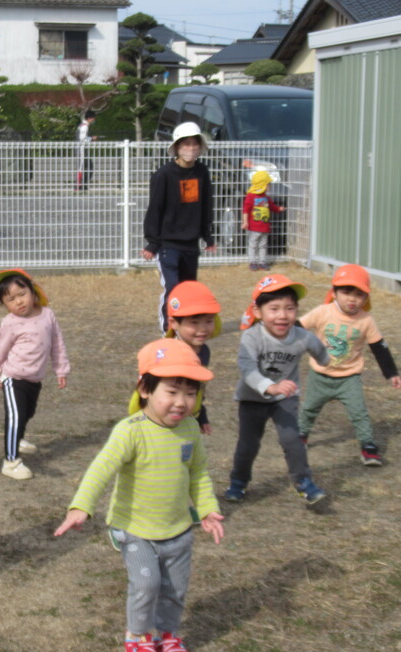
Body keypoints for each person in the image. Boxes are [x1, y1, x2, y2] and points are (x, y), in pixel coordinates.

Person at [55, 338, 224, 652]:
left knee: (175, 589)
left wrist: (207, 509)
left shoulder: (190, 429)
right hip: (134, 529)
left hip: (178, 529)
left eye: (191, 393)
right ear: (145, 388)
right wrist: (81, 507)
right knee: (147, 585)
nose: (182, 402)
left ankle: (166, 634)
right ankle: (138, 637)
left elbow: (199, 474)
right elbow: (100, 469)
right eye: (172, 391)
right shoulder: (130, 431)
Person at [224, 274, 331, 509]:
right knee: (248, 444)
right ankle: (238, 482)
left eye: (290, 308)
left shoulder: (302, 336)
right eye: (274, 309)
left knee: (293, 440)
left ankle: (304, 482)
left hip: (285, 399)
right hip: (252, 399)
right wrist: (269, 386)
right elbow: (247, 368)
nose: (282, 315)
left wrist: (326, 360)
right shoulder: (251, 337)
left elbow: (318, 348)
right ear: (258, 311)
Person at [297, 264, 401, 466]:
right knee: (309, 408)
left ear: (366, 298)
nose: (353, 299)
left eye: (360, 294)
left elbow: (379, 347)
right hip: (320, 375)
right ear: (334, 292)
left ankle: (368, 446)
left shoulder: (366, 320)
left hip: (349, 378)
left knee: (359, 413)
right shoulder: (322, 312)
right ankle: (301, 435)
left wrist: (391, 373)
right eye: (346, 292)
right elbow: (298, 326)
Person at [0, 269, 70, 480]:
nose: (18, 302)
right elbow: (1, 349)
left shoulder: (48, 315)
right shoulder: (10, 322)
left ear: (33, 291)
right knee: (15, 416)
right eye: (10, 299)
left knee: (27, 413)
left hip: (35, 378)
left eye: (21, 294)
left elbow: (57, 344)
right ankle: (11, 461)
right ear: (5, 304)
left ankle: (18, 439)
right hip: (13, 377)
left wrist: (61, 369)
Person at [142, 122, 217, 333]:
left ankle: (185, 327)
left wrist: (208, 236)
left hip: (191, 243)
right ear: (176, 147)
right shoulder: (164, 174)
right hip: (167, 244)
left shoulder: (202, 171)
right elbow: (155, 208)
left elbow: (206, 205)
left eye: (195, 144)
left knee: (188, 289)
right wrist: (152, 242)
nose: (190, 149)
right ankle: (168, 329)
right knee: (173, 288)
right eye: (186, 144)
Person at [165, 280, 222, 435]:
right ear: (174, 323)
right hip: (168, 425)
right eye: (194, 322)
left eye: (209, 321)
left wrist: (201, 416)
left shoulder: (204, 351)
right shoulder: (168, 356)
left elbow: (197, 388)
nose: (202, 329)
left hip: (190, 420)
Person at [241, 169, 284, 271]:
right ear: (262, 185)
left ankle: (262, 262)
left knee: (263, 245)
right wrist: (245, 222)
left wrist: (279, 209)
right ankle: (252, 262)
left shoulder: (266, 198)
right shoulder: (250, 196)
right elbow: (246, 210)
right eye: (268, 184)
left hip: (264, 227)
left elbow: (272, 207)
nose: (270, 186)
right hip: (254, 227)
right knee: (253, 245)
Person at [75, 109, 97, 191]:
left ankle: (81, 185)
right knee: (83, 167)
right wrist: (92, 138)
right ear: (90, 118)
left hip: (80, 149)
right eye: (94, 118)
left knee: (84, 167)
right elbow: (82, 139)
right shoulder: (85, 127)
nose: (94, 120)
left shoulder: (81, 125)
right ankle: (79, 185)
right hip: (81, 150)